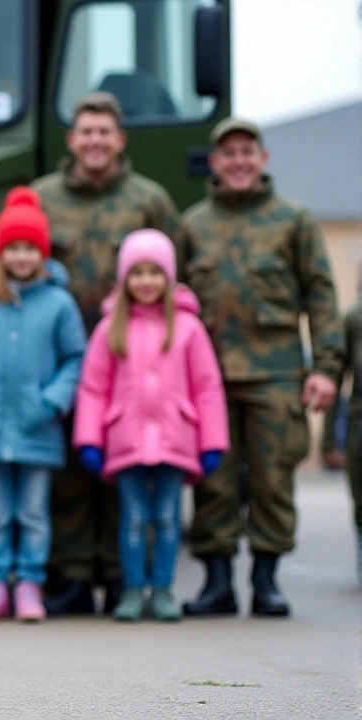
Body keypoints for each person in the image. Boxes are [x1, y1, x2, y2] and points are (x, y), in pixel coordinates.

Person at [179, 118, 342, 617]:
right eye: (228, 153)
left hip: (276, 372)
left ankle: (267, 581)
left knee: (273, 479)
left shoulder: (293, 219)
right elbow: (176, 299)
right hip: (209, 377)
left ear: (263, 158)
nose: (238, 161)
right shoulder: (193, 224)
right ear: (215, 163)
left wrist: (326, 367)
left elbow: (320, 292)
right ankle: (218, 584)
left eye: (247, 151)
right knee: (215, 482)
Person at [31, 92, 182, 616]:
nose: (95, 141)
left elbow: (172, 272)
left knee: (127, 469)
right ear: (71, 139)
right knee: (71, 470)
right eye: (85, 131)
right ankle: (72, 575)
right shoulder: (41, 198)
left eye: (105, 132)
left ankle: (124, 576)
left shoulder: (150, 200)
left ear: (120, 140)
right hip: (63, 356)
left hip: (135, 359)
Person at [73, 230, 229, 622]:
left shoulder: (189, 329)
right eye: (137, 273)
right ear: (126, 279)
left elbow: (207, 387)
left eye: (155, 272)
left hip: (175, 437)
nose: (146, 281)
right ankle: (132, 589)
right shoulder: (111, 328)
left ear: (169, 278)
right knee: (134, 517)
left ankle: (161, 589)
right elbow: (93, 387)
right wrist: (90, 438)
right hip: (126, 438)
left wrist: (212, 441)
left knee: (166, 517)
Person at [0, 188, 87, 622]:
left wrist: (52, 401)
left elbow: (75, 358)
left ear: (42, 253)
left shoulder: (59, 303)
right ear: (1, 251)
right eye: (13, 247)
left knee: (32, 513)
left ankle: (29, 584)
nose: (21, 256)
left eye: (30, 248)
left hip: (38, 427)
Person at [327, 298, 362, 584]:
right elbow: (337, 380)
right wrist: (330, 442)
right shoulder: (354, 319)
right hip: (359, 421)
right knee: (361, 494)